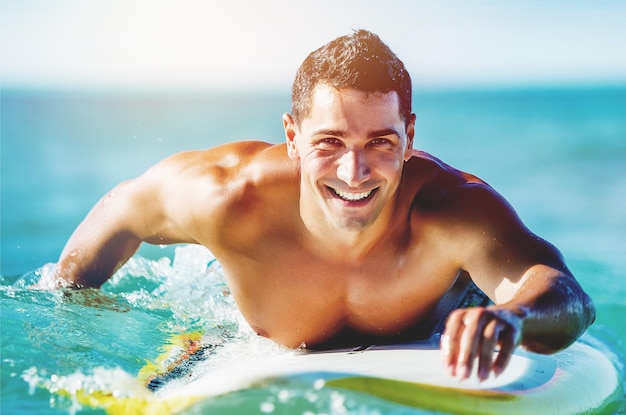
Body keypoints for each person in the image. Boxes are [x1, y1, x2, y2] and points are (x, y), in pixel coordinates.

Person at [42, 30, 595, 381]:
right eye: (329, 142)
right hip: (261, 335)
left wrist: (510, 319)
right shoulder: (230, 200)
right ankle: (202, 344)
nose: (354, 174)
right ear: (291, 135)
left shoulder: (453, 212)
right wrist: (68, 310)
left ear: (409, 136)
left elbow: (567, 295)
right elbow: (119, 209)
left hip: (429, 328)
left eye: (380, 142)